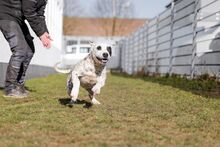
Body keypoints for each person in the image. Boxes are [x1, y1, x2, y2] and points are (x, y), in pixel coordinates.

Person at [0, 0, 52, 98]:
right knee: (20, 50)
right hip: (7, 14)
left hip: (18, 18)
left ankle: (18, 85)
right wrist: (40, 34)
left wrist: (45, 32)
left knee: (29, 50)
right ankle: (10, 88)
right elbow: (29, 12)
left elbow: (40, 15)